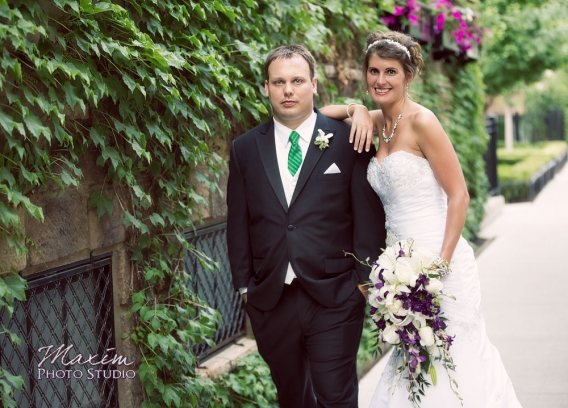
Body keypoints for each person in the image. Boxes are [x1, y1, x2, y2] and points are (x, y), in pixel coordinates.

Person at [320, 31, 522, 407]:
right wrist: (356, 110)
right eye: (374, 71)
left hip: (438, 262)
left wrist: (439, 266)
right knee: (412, 360)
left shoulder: (422, 122)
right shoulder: (378, 123)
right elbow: (320, 115)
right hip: (398, 266)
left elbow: (459, 195)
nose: (381, 80)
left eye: (391, 71)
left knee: (453, 359)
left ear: (408, 76)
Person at [226, 44, 386, 408]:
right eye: (278, 81)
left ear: (313, 85)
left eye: (297, 80)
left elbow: (368, 216)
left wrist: (362, 282)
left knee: (335, 396)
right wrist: (245, 289)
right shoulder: (244, 149)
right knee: (293, 398)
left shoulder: (349, 139)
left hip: (336, 295)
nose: (288, 90)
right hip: (271, 299)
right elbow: (238, 222)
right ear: (265, 88)